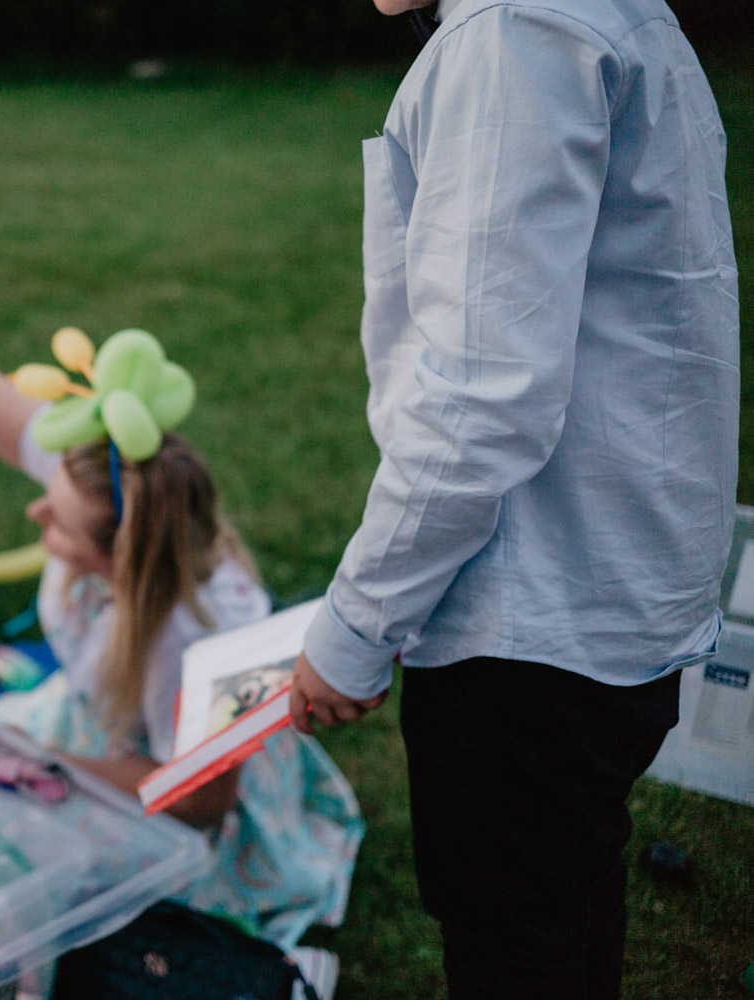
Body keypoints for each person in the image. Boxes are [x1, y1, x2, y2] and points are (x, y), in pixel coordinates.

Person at [289, 1, 739, 996]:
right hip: (605, 604)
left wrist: (357, 624)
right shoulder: (608, 16)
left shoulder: (513, 31)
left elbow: (482, 394)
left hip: (534, 627)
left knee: (515, 942)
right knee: (566, 907)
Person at [0, 345, 363, 946]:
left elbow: (199, 804)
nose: (36, 508)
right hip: (106, 729)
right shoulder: (109, 478)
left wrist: (51, 762)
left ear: (120, 559)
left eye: (59, 524)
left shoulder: (194, 641)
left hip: (173, 792)